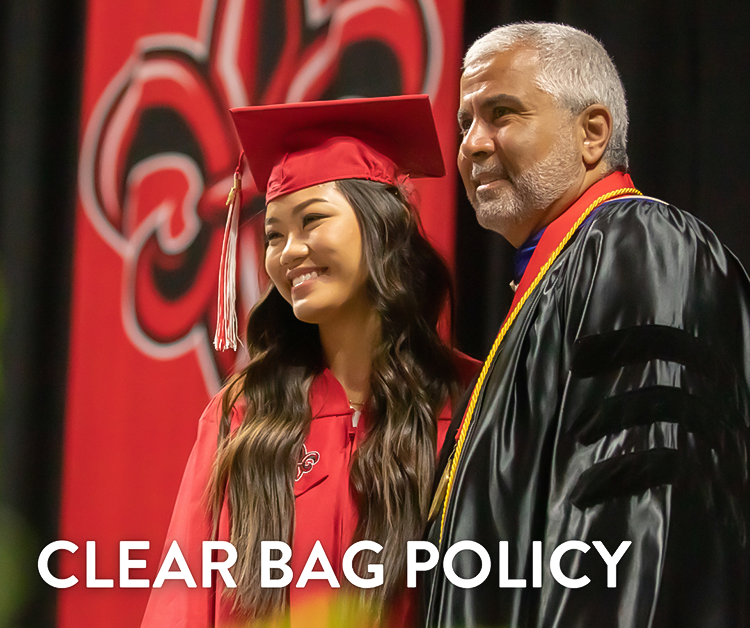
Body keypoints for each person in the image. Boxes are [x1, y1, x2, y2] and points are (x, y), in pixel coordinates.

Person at [422, 22, 750, 628]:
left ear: (593, 132)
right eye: (467, 122)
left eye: (501, 114)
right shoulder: (554, 280)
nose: (471, 144)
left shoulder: (645, 248)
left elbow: (644, 521)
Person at [140, 95, 479, 628]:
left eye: (312, 221)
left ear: (382, 226)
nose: (288, 251)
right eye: (274, 234)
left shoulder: (469, 401)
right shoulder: (244, 414)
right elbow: (183, 599)